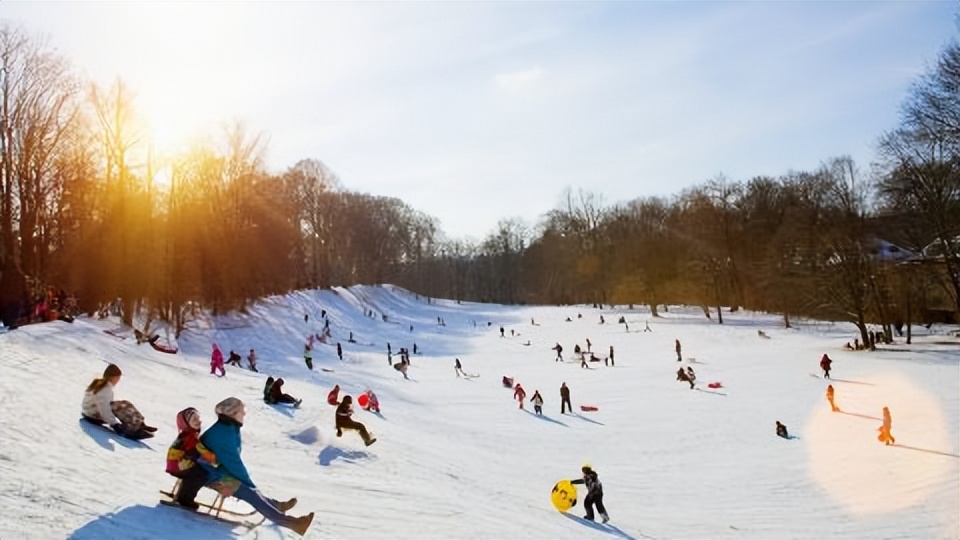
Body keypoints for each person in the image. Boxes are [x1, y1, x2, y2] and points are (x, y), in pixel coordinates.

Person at [200, 398, 313, 535]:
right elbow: (234, 464)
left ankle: (276, 506)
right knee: (250, 492)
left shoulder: (229, 428)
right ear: (233, 413)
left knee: (251, 490)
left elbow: (228, 462)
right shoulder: (223, 434)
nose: (244, 414)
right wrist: (249, 483)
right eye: (242, 411)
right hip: (208, 475)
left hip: (216, 471)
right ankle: (293, 523)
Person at [81, 363, 155, 439]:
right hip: (92, 415)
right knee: (121, 407)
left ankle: (139, 424)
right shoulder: (105, 389)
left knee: (124, 403)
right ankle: (133, 429)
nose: (118, 381)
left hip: (89, 412)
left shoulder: (100, 384)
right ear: (113, 378)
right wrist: (115, 425)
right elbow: (104, 409)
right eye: (118, 378)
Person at [166, 407, 217, 509]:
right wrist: (211, 460)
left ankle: (183, 495)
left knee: (197, 471)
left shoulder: (190, 434)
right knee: (200, 474)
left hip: (178, 463)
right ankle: (185, 499)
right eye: (194, 420)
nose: (198, 421)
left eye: (198, 418)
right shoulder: (189, 436)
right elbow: (195, 452)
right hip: (178, 465)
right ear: (187, 424)